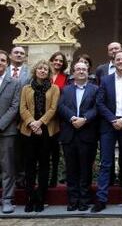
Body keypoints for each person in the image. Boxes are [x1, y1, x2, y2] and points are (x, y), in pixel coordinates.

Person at [92, 51, 122, 213]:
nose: (121, 61)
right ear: (114, 61)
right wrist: (113, 119)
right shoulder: (105, 80)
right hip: (108, 125)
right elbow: (100, 103)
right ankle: (101, 199)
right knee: (106, 163)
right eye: (118, 59)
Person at [19, 60, 60, 212]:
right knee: (29, 166)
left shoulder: (54, 88)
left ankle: (41, 198)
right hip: (28, 132)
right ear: (35, 70)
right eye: (40, 68)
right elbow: (22, 108)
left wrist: (40, 123)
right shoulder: (26, 88)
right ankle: (30, 198)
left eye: (45, 69)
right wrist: (32, 123)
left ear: (49, 72)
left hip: (47, 132)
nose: (42, 71)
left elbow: (53, 108)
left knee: (44, 166)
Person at [58, 62, 99, 211]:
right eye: (78, 69)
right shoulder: (65, 90)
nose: (81, 71)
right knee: (71, 169)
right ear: (73, 73)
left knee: (86, 169)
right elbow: (61, 106)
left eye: (84, 69)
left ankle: (84, 199)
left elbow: (97, 107)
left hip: (87, 134)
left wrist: (85, 119)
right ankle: (73, 199)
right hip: (69, 134)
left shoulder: (95, 89)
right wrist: (72, 118)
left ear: (88, 72)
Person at [7, 46, 31, 189]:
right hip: (4, 116)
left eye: (22, 53)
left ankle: (20, 178)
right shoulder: (3, 71)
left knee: (20, 151)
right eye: (16, 52)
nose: (19, 55)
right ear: (10, 55)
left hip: (22, 118)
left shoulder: (29, 74)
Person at [0, 50, 21, 213]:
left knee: (8, 167)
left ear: (7, 64)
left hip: (6, 131)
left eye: (2, 61)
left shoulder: (14, 83)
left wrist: (0, 124)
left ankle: (7, 199)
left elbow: (15, 107)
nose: (0, 63)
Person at [49, 51, 68, 187]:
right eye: (56, 60)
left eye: (61, 61)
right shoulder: (45, 75)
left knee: (56, 149)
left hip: (58, 118)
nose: (58, 63)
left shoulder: (65, 78)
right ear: (51, 60)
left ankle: (54, 178)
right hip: (44, 118)